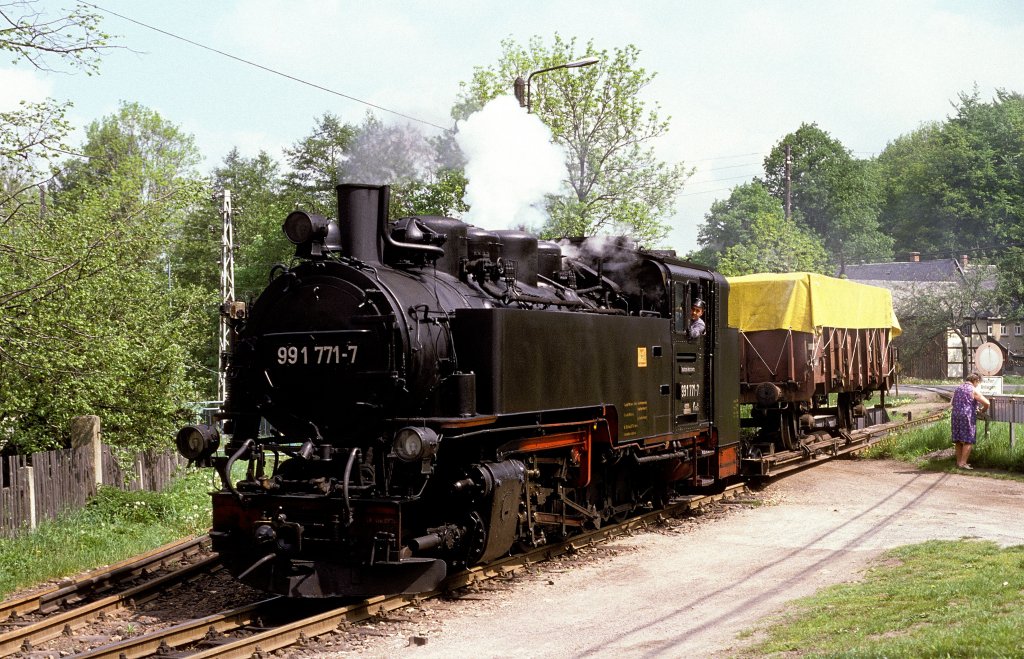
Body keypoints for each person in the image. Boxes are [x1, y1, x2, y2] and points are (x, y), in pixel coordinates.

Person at [950, 372, 990, 469]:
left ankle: (959, 462)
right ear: (975, 380)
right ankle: (963, 463)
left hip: (955, 415)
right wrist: (982, 410)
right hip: (967, 416)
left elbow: (952, 402)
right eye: (978, 382)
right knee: (968, 439)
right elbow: (987, 403)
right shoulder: (972, 390)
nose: (978, 384)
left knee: (958, 439)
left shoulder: (958, 388)